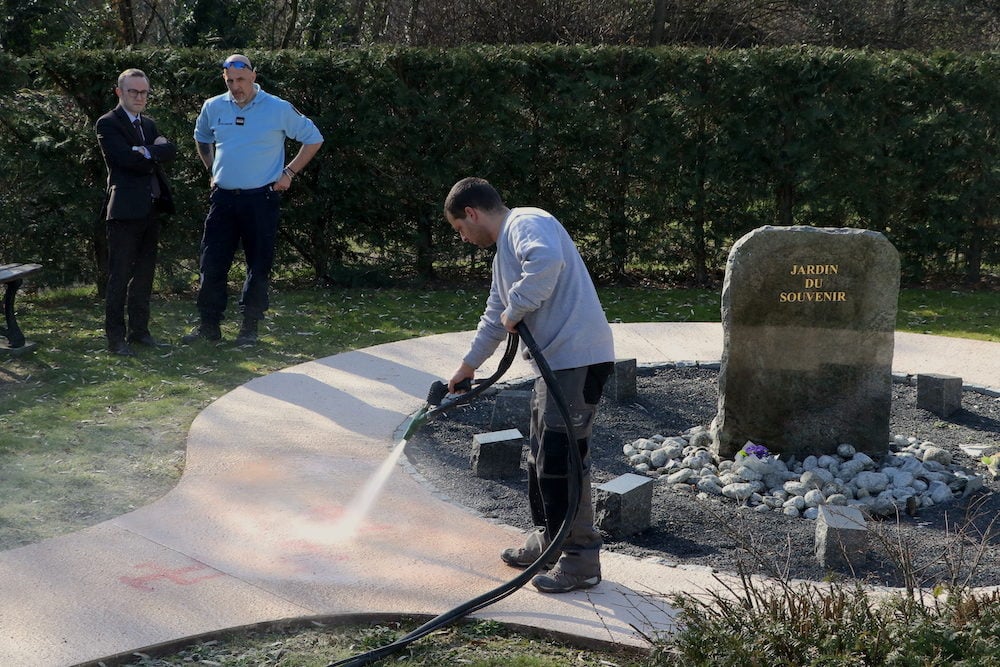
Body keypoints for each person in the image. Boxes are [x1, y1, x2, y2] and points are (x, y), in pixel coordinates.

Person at [444, 177, 616, 594]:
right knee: (541, 456)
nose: (463, 238)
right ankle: (547, 540)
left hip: (578, 360)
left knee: (564, 462)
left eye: (459, 229)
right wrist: (468, 366)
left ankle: (581, 561)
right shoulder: (505, 252)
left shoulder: (527, 222)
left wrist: (518, 306)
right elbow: (496, 313)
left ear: (472, 212)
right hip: (554, 366)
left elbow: (546, 263)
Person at [183, 54, 323, 346]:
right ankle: (209, 326)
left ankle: (249, 328)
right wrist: (211, 169)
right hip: (223, 199)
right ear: (225, 80)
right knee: (212, 262)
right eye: (230, 81)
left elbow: (314, 138)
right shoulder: (213, 106)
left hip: (261, 199)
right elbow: (201, 136)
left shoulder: (277, 108)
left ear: (254, 77)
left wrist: (289, 172)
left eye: (241, 80)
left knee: (258, 265)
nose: (236, 87)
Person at [95, 68, 176, 356]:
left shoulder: (149, 124)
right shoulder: (108, 123)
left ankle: (140, 333)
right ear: (120, 92)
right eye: (133, 91)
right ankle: (115, 339)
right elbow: (124, 161)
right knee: (118, 276)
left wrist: (145, 151)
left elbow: (170, 151)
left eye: (144, 92)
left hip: (150, 209)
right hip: (124, 211)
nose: (140, 97)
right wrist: (152, 152)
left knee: (144, 275)